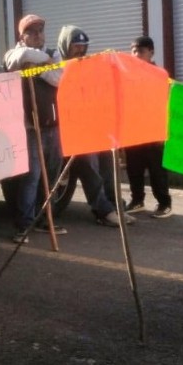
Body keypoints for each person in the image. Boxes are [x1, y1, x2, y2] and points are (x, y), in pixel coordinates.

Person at [43, 25, 135, 227]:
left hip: (87, 124)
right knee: (89, 162)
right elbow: (60, 82)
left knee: (107, 158)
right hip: (63, 127)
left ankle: (115, 205)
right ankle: (103, 210)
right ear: (67, 45)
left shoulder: (87, 62)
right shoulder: (53, 61)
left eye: (84, 47)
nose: (81, 51)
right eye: (76, 46)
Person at [3, 14, 68, 243]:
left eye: (40, 31)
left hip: (53, 125)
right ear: (22, 36)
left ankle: (46, 218)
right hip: (30, 127)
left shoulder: (54, 54)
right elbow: (18, 57)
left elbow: (59, 78)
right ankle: (24, 224)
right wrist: (43, 63)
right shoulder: (14, 54)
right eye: (31, 32)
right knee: (32, 176)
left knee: (51, 176)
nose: (37, 35)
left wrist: (38, 67)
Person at [124, 37, 173, 219]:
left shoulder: (159, 74)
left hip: (153, 131)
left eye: (141, 51)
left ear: (151, 53)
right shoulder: (127, 73)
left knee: (156, 170)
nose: (137, 55)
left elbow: (164, 103)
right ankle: (137, 200)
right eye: (134, 51)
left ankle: (164, 203)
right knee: (133, 168)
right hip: (133, 130)